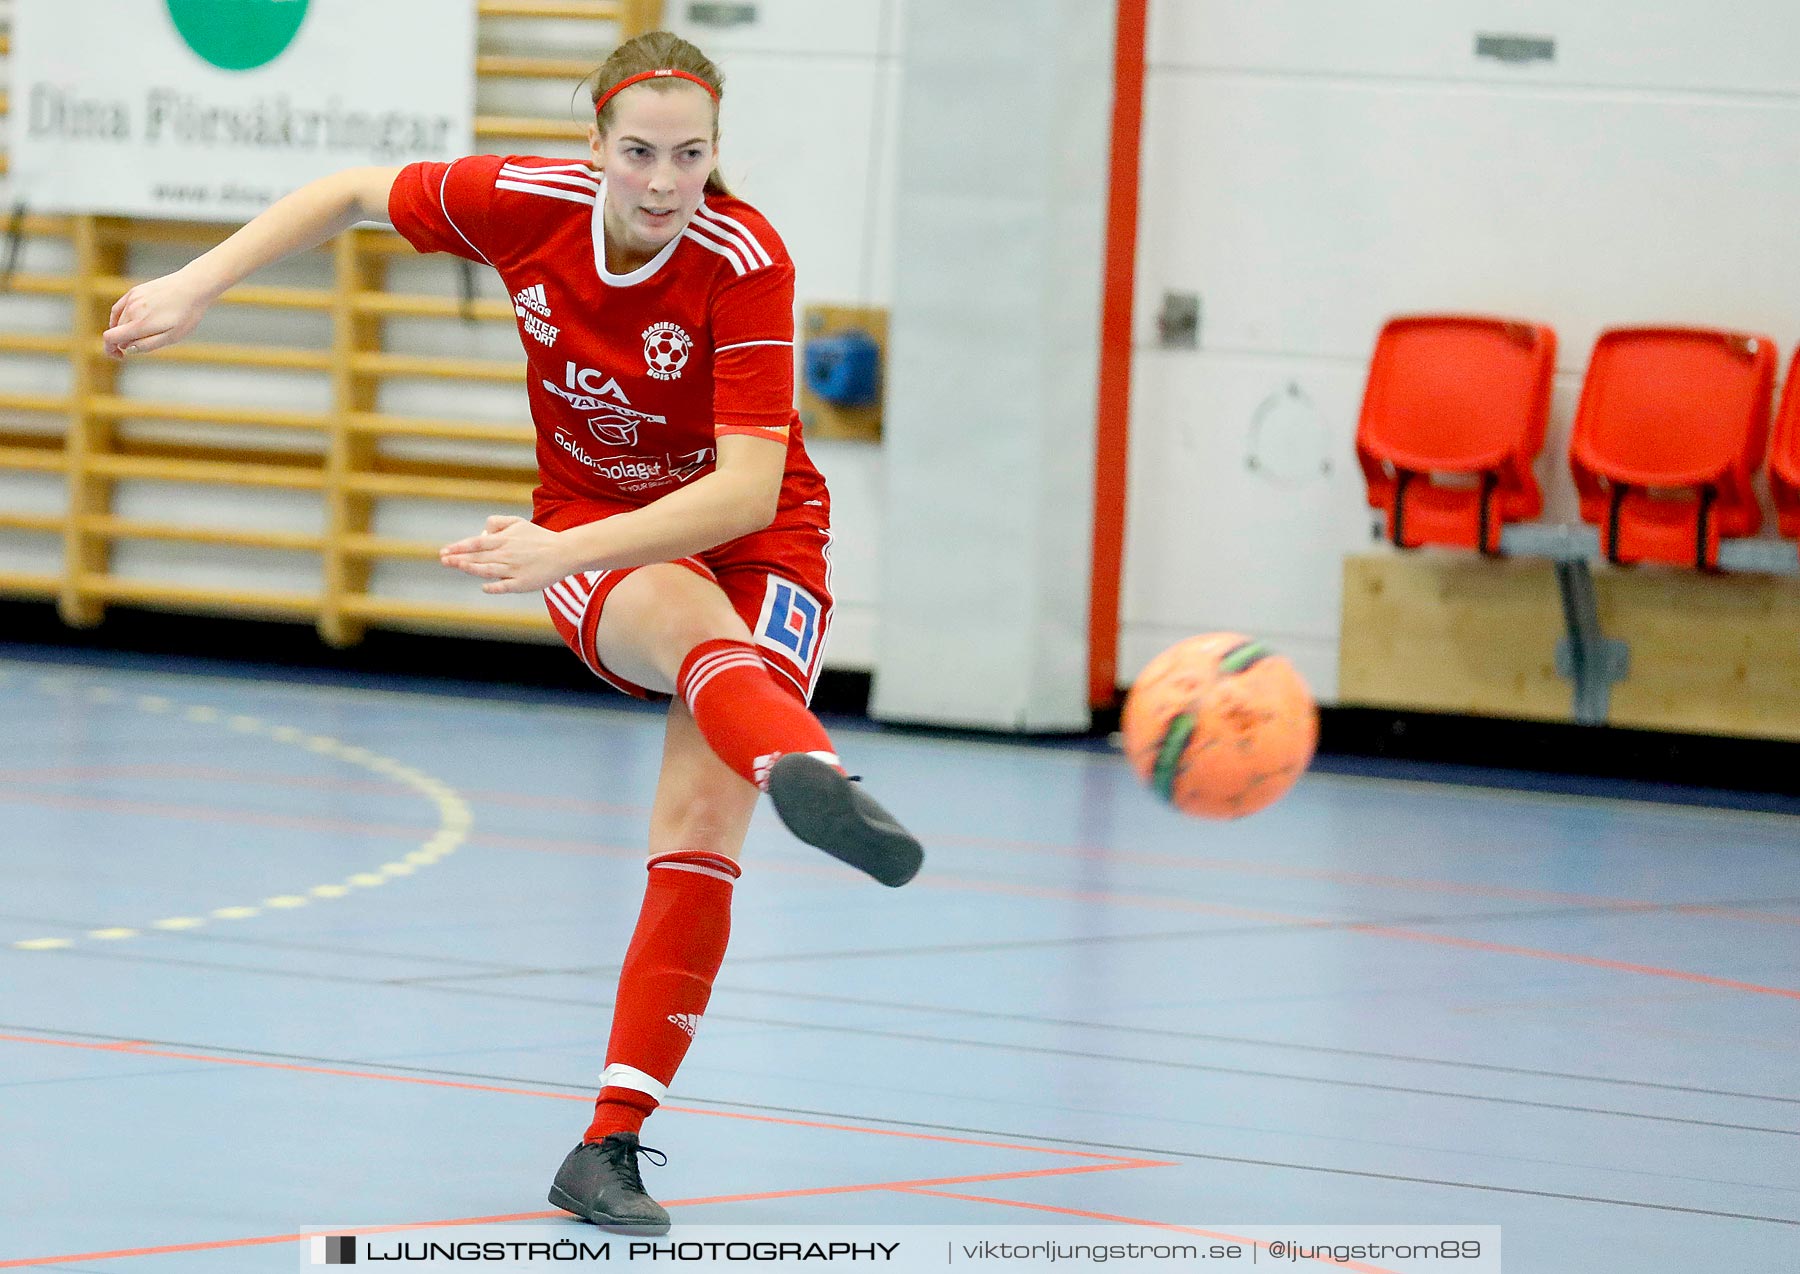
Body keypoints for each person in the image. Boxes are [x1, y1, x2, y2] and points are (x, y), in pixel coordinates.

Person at [102, 30, 923, 1235]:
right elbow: (343, 192)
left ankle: (608, 1145)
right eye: (637, 152)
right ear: (591, 143)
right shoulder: (522, 203)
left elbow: (748, 493)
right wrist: (194, 282)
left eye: (689, 157)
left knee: (699, 827)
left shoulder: (745, 260)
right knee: (696, 633)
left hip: (762, 546)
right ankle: (801, 757)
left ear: (715, 156)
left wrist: (558, 557)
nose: (661, 182)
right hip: (598, 529)